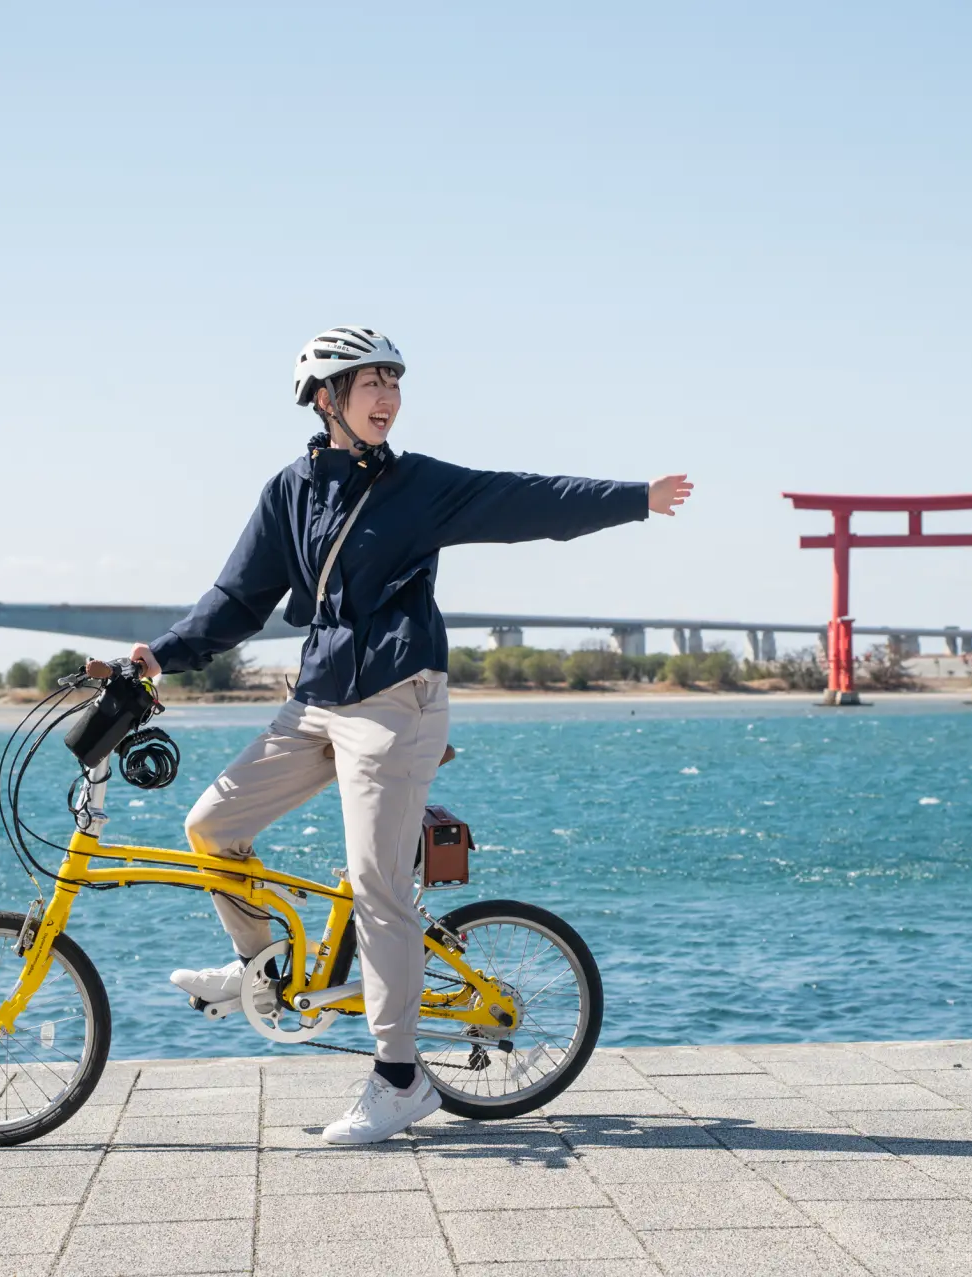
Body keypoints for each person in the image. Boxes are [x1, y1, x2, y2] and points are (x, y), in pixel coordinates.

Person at [117, 326, 692, 1144]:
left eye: (394, 382)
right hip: (317, 698)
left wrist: (635, 497)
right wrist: (161, 654)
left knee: (376, 884)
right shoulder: (289, 492)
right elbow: (238, 600)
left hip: (397, 700)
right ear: (326, 399)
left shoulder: (417, 486)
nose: (387, 397)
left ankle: (399, 1078)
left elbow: (526, 500)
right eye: (370, 383)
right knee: (212, 824)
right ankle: (260, 967)